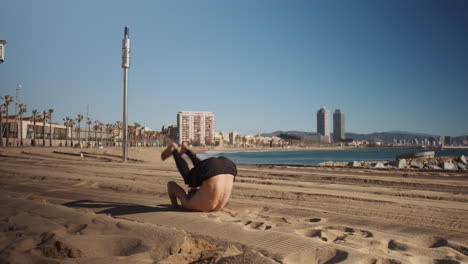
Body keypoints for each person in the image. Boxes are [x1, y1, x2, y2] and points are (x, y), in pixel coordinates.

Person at [161, 142, 237, 212]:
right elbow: (172, 186)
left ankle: (174, 150)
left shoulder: (188, 204)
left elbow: (171, 185)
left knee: (191, 176)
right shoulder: (196, 200)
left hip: (228, 165)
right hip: (227, 165)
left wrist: (175, 206)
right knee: (202, 170)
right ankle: (186, 150)